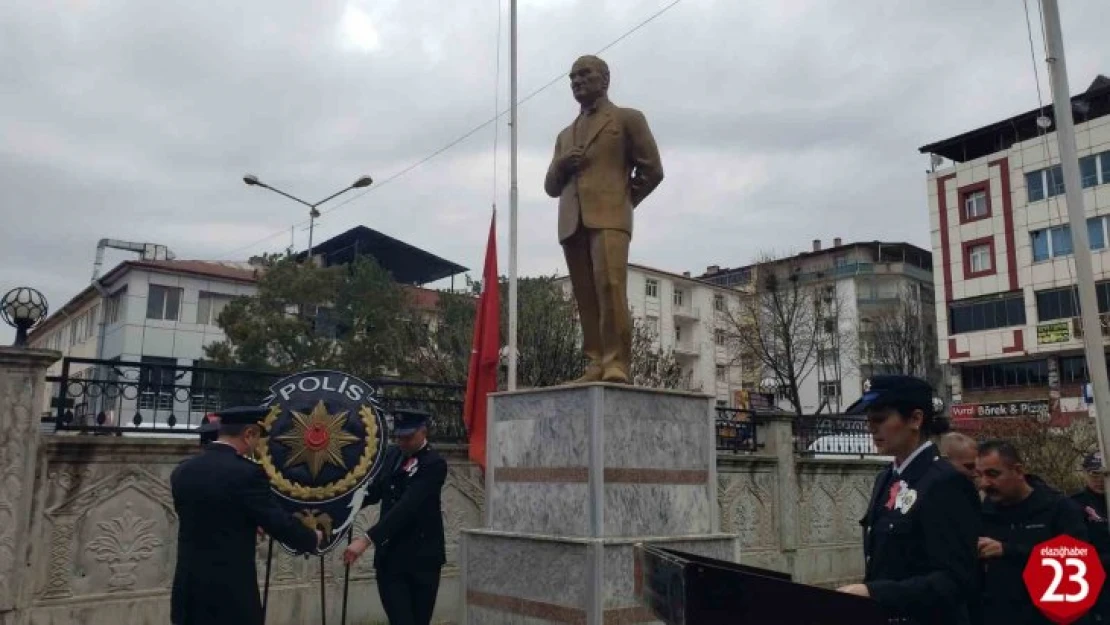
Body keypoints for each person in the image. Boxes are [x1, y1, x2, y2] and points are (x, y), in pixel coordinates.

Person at [544, 54, 664, 384]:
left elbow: (652, 169)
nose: (577, 82)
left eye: (584, 75)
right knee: (585, 297)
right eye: (572, 78)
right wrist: (562, 164)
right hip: (572, 222)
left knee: (610, 287)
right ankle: (594, 361)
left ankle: (617, 363)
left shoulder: (627, 119)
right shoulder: (564, 136)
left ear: (604, 79)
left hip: (610, 218)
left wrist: (624, 201)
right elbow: (550, 187)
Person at [837, 375, 981, 625]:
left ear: (915, 419)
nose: (871, 427)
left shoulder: (946, 482)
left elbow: (955, 581)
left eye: (880, 419)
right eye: (869, 419)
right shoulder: (886, 479)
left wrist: (876, 593)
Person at [170, 406, 321, 625]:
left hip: (188, 587)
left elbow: (209, 513)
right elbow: (277, 522)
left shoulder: (183, 470)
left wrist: (247, 520)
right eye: (258, 437)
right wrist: (309, 538)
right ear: (248, 434)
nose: (258, 445)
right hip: (229, 592)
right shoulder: (247, 473)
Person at [344, 409, 448, 625]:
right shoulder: (392, 455)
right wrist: (340, 508)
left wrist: (366, 539)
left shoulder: (434, 464)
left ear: (423, 431)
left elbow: (407, 506)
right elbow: (375, 492)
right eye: (399, 437)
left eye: (408, 437)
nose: (403, 442)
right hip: (391, 559)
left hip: (422, 561)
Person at [977, 439, 1090, 625]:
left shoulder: (1058, 509)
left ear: (1018, 471)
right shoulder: (984, 513)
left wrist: (1008, 550)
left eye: (993, 474)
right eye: (979, 475)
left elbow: (1077, 563)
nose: (984, 483)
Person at [1072, 452, 1110, 623]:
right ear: (1086, 473)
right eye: (1094, 473)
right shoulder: (1074, 504)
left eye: (1104, 474)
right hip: (1093, 580)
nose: (1099, 479)